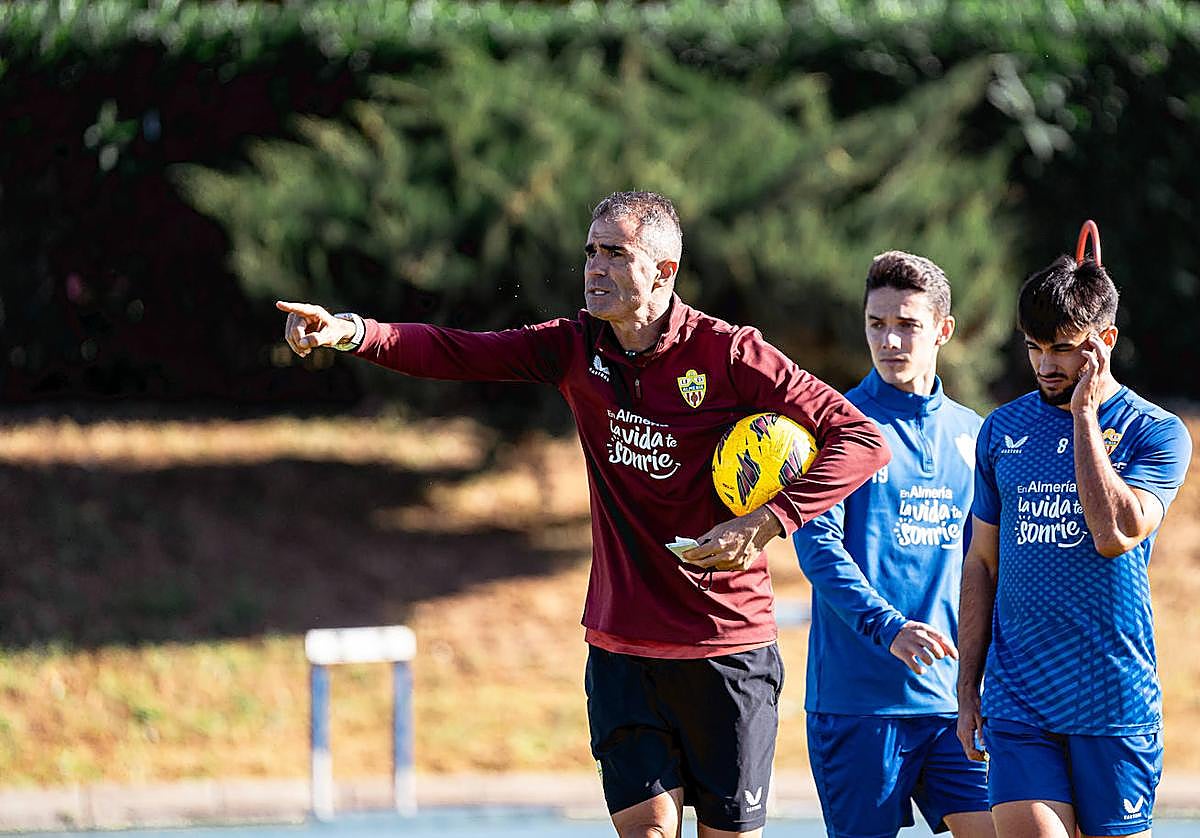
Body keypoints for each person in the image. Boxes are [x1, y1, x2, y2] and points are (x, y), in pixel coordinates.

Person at [277, 191, 890, 838]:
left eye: (616, 253)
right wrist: (352, 331)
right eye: (591, 250)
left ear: (664, 270)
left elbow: (861, 438)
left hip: (726, 648)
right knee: (648, 831)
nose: (595, 266)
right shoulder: (573, 346)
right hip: (622, 647)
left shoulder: (730, 354)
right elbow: (459, 351)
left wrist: (765, 522)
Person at [956, 251, 1192, 838]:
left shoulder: (1155, 432)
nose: (1045, 365)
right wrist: (967, 690)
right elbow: (981, 562)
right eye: (1034, 347)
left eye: (1062, 348)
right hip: (1019, 699)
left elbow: (1115, 535)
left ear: (1104, 341)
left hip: (1112, 701)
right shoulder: (1002, 430)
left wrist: (1084, 417)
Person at [791, 252, 994, 838]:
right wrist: (889, 628)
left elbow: (989, 563)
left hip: (953, 703)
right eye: (876, 324)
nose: (889, 340)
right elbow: (818, 551)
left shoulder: (975, 433)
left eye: (907, 325)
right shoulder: (836, 426)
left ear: (943, 330)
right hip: (859, 706)